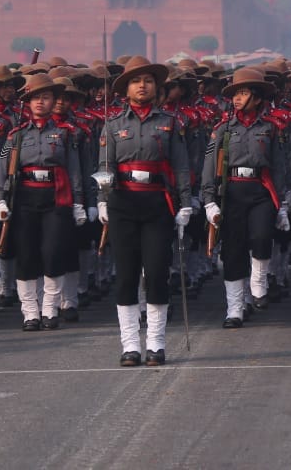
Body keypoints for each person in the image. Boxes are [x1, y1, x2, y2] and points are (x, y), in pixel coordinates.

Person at [97, 56, 192, 366]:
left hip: (157, 203)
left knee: (156, 272)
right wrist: (102, 199)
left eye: (148, 81)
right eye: (136, 81)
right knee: (126, 275)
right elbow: (105, 166)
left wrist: (186, 203)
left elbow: (180, 165)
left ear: (156, 87)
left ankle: (155, 343)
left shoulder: (170, 123)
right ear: (126, 89)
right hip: (123, 203)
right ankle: (130, 346)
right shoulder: (112, 124)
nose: (142, 86)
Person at [0, 74, 86, 332]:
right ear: (28, 103)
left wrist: (79, 202)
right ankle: (30, 312)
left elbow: (74, 170)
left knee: (53, 252)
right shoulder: (15, 136)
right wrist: (0, 200)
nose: (40, 102)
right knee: (26, 255)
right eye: (36, 98)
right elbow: (2, 169)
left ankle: (50, 309)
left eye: (46, 97)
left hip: (56, 197)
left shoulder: (66, 134)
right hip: (25, 197)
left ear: (54, 101)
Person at [200, 68, 288, 328]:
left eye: (243, 93)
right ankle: (235, 308)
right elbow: (209, 165)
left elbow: (279, 166)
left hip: (261, 190)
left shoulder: (271, 128)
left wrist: (282, 203)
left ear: (257, 98)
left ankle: (259, 281)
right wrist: (209, 200)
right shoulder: (223, 129)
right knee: (233, 250)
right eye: (235, 94)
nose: (237, 98)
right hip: (232, 192)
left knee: (262, 236)